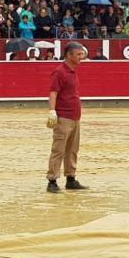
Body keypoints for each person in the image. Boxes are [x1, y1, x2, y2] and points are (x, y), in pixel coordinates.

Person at [46, 42, 87, 193]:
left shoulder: (72, 70)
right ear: (69, 55)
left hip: (75, 117)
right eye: (78, 54)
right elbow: (53, 93)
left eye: (81, 54)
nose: (81, 57)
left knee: (72, 150)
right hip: (63, 117)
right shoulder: (60, 72)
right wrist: (52, 111)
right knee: (59, 150)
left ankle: (71, 178)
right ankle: (52, 180)